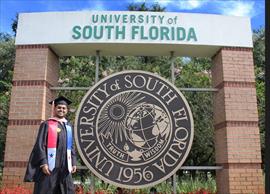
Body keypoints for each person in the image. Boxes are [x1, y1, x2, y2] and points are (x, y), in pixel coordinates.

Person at [24, 96, 77, 194]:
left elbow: (71, 146)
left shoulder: (68, 126)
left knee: (67, 190)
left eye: (64, 108)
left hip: (65, 167)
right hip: (50, 166)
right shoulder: (47, 124)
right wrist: (44, 163)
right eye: (59, 107)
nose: (61, 110)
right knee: (46, 190)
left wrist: (73, 162)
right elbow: (40, 145)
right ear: (55, 109)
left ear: (67, 110)